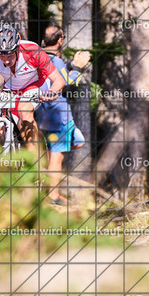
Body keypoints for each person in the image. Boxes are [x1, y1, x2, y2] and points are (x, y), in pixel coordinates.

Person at [36, 25, 90, 204]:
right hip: (57, 114)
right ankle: (53, 196)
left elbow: (58, 73)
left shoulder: (39, 58)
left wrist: (72, 65)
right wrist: (79, 68)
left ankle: (47, 185)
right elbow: (68, 82)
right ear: (60, 40)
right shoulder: (56, 61)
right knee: (57, 155)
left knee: (78, 141)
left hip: (41, 112)